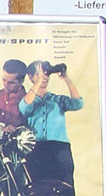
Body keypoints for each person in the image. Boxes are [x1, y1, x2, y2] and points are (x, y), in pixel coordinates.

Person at [19, 59, 84, 187]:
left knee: (65, 188)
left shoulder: (57, 100)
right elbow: (24, 107)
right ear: (30, 77)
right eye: (38, 74)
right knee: (38, 188)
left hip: (60, 149)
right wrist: (38, 83)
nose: (43, 77)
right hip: (37, 149)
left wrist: (67, 79)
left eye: (45, 74)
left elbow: (78, 104)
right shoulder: (29, 99)